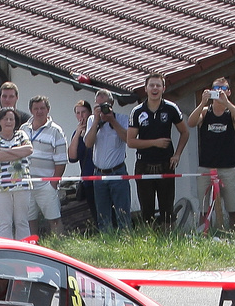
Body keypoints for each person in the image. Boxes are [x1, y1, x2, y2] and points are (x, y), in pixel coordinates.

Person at [186, 77, 235, 231]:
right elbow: (191, 122)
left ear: (229, 92)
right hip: (206, 167)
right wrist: (202, 103)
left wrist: (227, 103)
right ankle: (204, 235)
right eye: (216, 89)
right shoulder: (206, 112)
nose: (219, 92)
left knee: (233, 208)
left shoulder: (230, 114)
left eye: (223, 89)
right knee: (204, 209)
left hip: (227, 168)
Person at [126, 74, 189, 227]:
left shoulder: (171, 108)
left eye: (158, 85)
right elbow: (130, 141)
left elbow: (185, 132)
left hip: (166, 163)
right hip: (144, 164)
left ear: (163, 88)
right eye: (152, 85)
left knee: (167, 206)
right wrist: (154, 143)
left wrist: (177, 155)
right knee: (146, 207)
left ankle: (168, 240)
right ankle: (149, 241)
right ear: (146, 88)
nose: (155, 88)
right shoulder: (137, 111)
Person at [0, 108, 34, 240]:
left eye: (11, 119)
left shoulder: (22, 134)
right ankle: (6, 249)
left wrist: (6, 150)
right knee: (5, 222)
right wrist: (18, 152)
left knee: (22, 221)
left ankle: (25, 250)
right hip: (0, 187)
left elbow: (29, 149)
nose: (8, 121)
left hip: (22, 184)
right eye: (5, 119)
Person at [87, 90, 131, 232]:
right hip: (99, 173)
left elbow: (128, 139)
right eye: (98, 105)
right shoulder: (91, 120)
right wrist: (96, 121)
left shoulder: (122, 118)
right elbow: (88, 143)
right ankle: (106, 241)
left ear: (111, 104)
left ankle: (126, 240)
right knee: (102, 214)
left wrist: (112, 120)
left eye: (104, 105)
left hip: (117, 171)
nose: (101, 109)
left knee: (122, 212)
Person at [24, 96, 67, 234]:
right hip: (27, 184)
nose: (39, 111)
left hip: (46, 184)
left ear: (48, 110)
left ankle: (58, 246)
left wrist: (53, 183)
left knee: (54, 219)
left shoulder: (56, 130)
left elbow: (61, 160)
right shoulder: (23, 128)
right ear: (31, 110)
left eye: (42, 108)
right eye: (36, 108)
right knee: (29, 220)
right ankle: (32, 248)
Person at [68, 99, 96, 207]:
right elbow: (72, 157)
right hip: (87, 179)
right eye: (78, 113)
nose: (81, 116)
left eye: (83, 112)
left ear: (90, 113)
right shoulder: (76, 133)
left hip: (100, 177)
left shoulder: (97, 128)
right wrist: (77, 134)